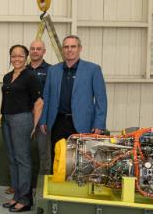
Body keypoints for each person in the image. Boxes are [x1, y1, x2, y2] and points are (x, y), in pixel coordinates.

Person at [39, 35, 108, 163]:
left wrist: (99, 124)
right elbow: (46, 96)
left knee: (82, 161)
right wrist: (43, 119)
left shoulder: (93, 69)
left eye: (73, 46)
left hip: (83, 123)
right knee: (58, 159)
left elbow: (101, 99)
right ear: (62, 49)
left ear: (79, 48)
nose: (69, 50)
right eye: (66, 47)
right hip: (57, 122)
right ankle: (59, 183)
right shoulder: (53, 70)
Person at [1, 45, 44, 213]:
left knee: (22, 159)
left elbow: (39, 102)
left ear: (26, 57)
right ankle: (17, 195)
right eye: (13, 56)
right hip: (7, 119)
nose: (16, 59)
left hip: (22, 119)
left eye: (20, 56)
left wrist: (33, 125)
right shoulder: (7, 77)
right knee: (12, 159)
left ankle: (25, 199)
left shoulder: (30, 76)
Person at [29, 40, 52, 183]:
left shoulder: (51, 70)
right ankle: (25, 184)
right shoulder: (23, 70)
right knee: (25, 153)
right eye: (32, 49)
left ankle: (42, 185)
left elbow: (51, 96)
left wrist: (45, 119)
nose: (35, 51)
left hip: (43, 119)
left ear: (44, 51)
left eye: (38, 49)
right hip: (26, 118)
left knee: (44, 153)